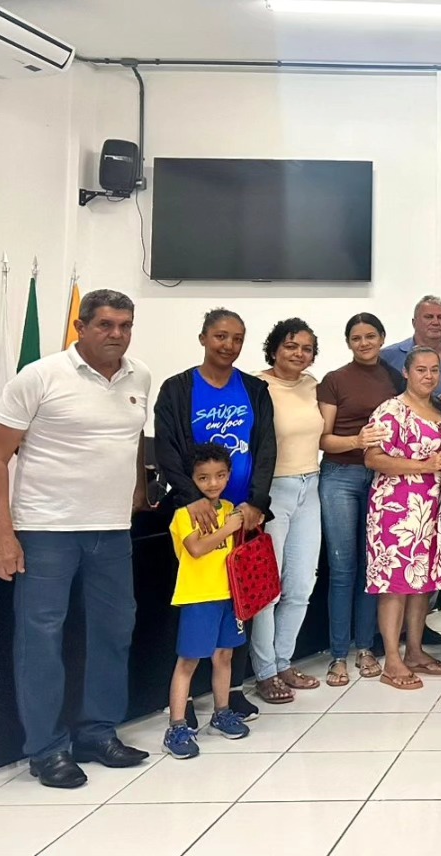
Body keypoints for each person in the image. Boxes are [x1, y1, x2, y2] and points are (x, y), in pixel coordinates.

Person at [0, 289, 151, 789]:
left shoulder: (139, 376)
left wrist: (138, 493)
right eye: (105, 325)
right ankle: (46, 749)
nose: (116, 334)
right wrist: (2, 537)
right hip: (46, 531)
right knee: (41, 640)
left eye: (125, 325)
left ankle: (97, 733)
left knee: (113, 633)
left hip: (112, 531)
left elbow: (131, 442)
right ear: (81, 326)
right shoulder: (39, 377)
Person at [154, 308, 276, 722]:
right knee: (197, 604)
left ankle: (231, 693)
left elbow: (265, 449)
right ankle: (184, 701)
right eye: (221, 336)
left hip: (242, 516)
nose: (229, 345)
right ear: (204, 337)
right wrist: (193, 498)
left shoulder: (255, 389)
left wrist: (256, 503)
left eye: (237, 338)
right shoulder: (177, 389)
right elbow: (167, 448)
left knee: (239, 603)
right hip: (197, 513)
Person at [316, 312, 401, 686]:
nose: (364, 343)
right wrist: (357, 440)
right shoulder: (334, 380)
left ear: (382, 338)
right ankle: (338, 655)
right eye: (356, 338)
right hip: (341, 476)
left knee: (373, 568)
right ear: (348, 342)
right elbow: (324, 438)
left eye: (370, 336)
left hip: (383, 478)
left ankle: (365, 647)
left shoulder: (396, 378)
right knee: (342, 568)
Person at [364, 347, 441, 689]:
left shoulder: (440, 410)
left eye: (434, 370)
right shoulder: (391, 410)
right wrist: (423, 466)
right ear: (406, 372)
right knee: (395, 584)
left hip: (429, 509)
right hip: (395, 509)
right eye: (421, 369)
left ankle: (414, 651)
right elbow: (373, 458)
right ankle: (392, 660)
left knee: (422, 582)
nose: (428, 376)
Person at [251, 318, 325, 705]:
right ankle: (264, 671)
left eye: (306, 348)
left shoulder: (313, 385)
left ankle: (283, 662)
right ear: (275, 347)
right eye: (291, 346)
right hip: (273, 492)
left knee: (300, 585)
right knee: (267, 588)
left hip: (310, 487)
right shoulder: (255, 386)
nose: (299, 353)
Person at [163, 445, 251, 758]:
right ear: (191, 479)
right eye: (203, 478)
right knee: (188, 660)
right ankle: (176, 726)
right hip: (198, 596)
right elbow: (196, 549)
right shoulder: (185, 513)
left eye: (220, 475)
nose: (213, 483)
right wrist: (227, 528)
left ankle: (222, 712)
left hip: (229, 595)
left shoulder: (230, 507)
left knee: (224, 655)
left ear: (228, 475)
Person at [381, 295, 441, 402]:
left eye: (440, 317)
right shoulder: (388, 357)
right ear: (414, 323)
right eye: (429, 317)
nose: (435, 322)